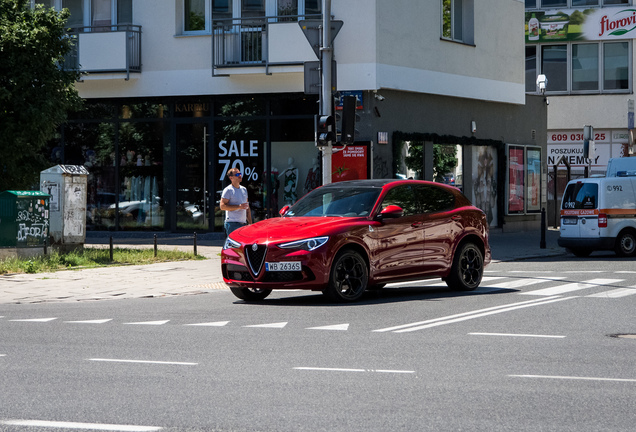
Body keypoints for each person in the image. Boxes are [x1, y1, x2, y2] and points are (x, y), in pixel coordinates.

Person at [220, 167, 252, 236]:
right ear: (231, 178)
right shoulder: (228, 190)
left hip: (243, 224)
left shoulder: (244, 189)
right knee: (234, 246)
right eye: (237, 175)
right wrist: (239, 207)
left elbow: (247, 208)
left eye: (240, 174)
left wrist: (250, 223)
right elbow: (222, 206)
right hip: (232, 224)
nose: (240, 176)